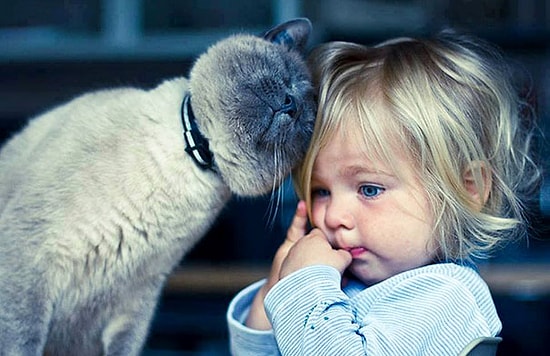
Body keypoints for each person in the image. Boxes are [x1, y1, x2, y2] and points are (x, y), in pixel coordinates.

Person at [227, 30, 540, 355]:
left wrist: (303, 288)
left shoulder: (447, 297)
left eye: (370, 189)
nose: (332, 216)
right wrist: (277, 288)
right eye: (321, 191)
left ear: (468, 188)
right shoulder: (339, 287)